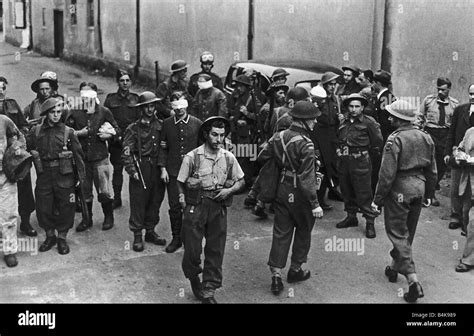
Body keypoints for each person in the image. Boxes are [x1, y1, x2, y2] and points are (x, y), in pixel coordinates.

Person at [372, 100, 437, 303]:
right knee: (407, 233)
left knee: (398, 233)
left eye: (392, 116)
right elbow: (432, 170)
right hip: (419, 186)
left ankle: (413, 281)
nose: (389, 118)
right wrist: (429, 194)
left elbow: (386, 174)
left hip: (400, 189)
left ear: (400, 119)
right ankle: (393, 267)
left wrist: (378, 200)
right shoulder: (426, 137)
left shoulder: (395, 139)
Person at [258, 101, 323, 295]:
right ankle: (295, 270)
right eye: (312, 118)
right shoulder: (306, 143)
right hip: (301, 194)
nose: (315, 121)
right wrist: (315, 203)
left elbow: (262, 156)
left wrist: (283, 162)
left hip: (283, 189)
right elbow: (307, 177)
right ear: (303, 121)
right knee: (303, 230)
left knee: (281, 231)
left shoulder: (278, 136)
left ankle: (276, 275)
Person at [177, 116, 245, 303]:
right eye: (215, 135)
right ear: (206, 134)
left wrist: (229, 190)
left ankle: (208, 291)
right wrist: (184, 202)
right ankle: (193, 277)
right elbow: (180, 183)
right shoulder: (192, 157)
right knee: (192, 249)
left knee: (216, 249)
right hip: (196, 206)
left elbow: (241, 180)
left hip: (218, 206)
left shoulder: (228, 157)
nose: (219, 139)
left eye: (222, 135)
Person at [28, 98, 86, 255]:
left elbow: (78, 157)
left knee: (67, 206)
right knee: (43, 206)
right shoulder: (36, 131)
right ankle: (49, 236)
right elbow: (28, 148)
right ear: (46, 114)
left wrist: (81, 178)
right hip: (44, 174)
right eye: (52, 112)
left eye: (58, 112)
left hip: (64, 175)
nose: (56, 115)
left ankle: (61, 238)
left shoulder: (68, 132)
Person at [66, 82, 119, 232]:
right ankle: (86, 219)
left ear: (95, 94)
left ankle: (108, 217)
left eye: (90, 94)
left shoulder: (104, 111)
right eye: (84, 94)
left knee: (104, 190)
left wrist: (109, 134)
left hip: (100, 157)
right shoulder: (75, 112)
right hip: (82, 159)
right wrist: (77, 133)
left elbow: (117, 130)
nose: (86, 98)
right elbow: (66, 133)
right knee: (84, 191)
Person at [122, 92, 167, 252]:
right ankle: (137, 236)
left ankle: (150, 231)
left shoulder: (161, 125)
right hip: (141, 167)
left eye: (152, 106)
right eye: (146, 106)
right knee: (139, 201)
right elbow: (126, 151)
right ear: (141, 108)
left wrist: (163, 167)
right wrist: (131, 170)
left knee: (155, 199)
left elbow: (164, 147)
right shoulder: (133, 129)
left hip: (157, 166)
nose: (150, 109)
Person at [158, 91, 202, 253]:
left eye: (182, 105)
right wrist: (163, 168)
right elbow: (163, 147)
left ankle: (191, 238)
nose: (179, 109)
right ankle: (176, 238)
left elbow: (203, 150)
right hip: (174, 172)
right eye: (175, 106)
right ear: (171, 107)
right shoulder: (167, 124)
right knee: (175, 206)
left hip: (192, 173)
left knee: (192, 206)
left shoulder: (197, 124)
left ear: (187, 105)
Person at [336, 93, 383, 239]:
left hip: (361, 160)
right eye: (351, 106)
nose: (354, 109)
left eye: (357, 106)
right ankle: (351, 217)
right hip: (345, 160)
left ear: (362, 107)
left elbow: (377, 141)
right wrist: (339, 150)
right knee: (346, 188)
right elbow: (340, 138)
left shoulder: (369, 122)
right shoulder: (343, 120)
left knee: (363, 192)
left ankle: (370, 222)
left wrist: (365, 153)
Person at [0, 77, 36, 237]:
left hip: (16, 157)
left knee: (24, 189)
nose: (0, 91)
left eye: (3, 88)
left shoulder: (13, 104)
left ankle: (26, 222)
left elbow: (24, 126)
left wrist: (19, 145)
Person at [416, 77, 459, 206]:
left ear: (449, 89)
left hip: (445, 135)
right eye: (439, 89)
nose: (440, 92)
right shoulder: (429, 101)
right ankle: (428, 194)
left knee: (443, 165)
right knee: (429, 163)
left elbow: (456, 123)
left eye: (444, 90)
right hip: (431, 133)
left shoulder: (454, 104)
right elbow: (419, 116)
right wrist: (418, 131)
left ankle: (432, 188)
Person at [104, 70, 140, 209]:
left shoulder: (136, 99)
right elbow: (106, 119)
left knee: (134, 169)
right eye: (122, 80)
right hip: (116, 142)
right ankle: (117, 198)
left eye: (127, 80)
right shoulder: (110, 99)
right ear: (118, 82)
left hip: (132, 141)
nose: (125, 83)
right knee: (117, 170)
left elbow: (138, 120)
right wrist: (114, 134)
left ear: (131, 82)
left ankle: (136, 199)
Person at [444, 84, 474, 234]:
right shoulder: (460, 110)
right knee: (455, 186)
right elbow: (451, 132)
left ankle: (466, 219)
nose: (473, 97)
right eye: (471, 94)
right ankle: (455, 216)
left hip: (472, 158)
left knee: (469, 190)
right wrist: (448, 152)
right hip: (458, 153)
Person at [0, 113, 26, 267]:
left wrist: (15, 150)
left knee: (8, 214)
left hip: (4, 176)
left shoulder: (4, 121)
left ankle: (9, 251)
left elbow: (19, 137)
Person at [227, 74, 262, 188]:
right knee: (235, 156)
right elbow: (230, 110)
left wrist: (247, 114)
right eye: (238, 85)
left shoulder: (252, 98)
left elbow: (259, 117)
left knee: (245, 159)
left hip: (247, 134)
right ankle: (237, 180)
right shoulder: (234, 96)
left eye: (242, 86)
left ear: (247, 87)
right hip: (236, 132)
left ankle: (244, 182)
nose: (239, 88)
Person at [310, 84, 339, 211]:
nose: (322, 103)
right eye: (319, 101)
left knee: (324, 173)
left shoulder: (328, 104)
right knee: (313, 173)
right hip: (314, 144)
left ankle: (320, 199)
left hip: (326, 144)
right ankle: (312, 201)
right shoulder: (308, 109)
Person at [452, 127, 474, 272]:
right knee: (467, 217)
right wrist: (459, 156)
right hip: (468, 182)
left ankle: (468, 259)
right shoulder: (470, 131)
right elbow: (459, 148)